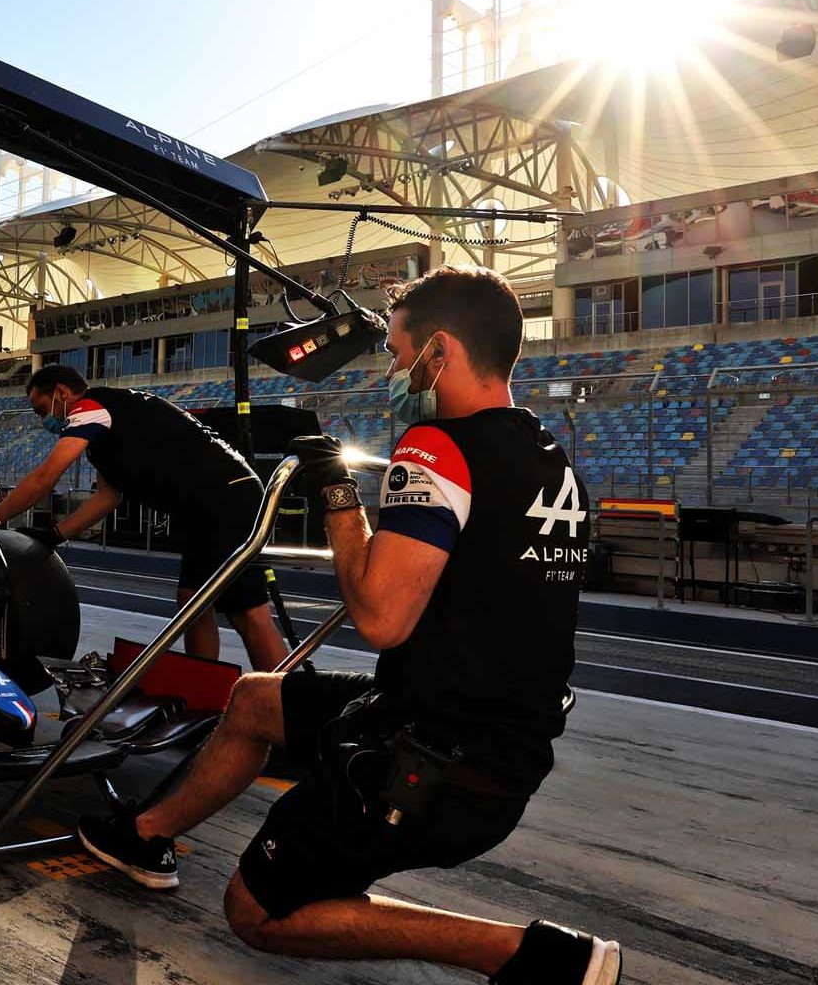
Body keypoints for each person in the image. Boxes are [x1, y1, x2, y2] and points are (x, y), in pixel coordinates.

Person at [74, 265, 616, 985]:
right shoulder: (555, 465)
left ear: (440, 352)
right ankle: (147, 834)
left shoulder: (436, 447)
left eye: (397, 352)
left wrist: (337, 495)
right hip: (492, 738)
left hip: (436, 759)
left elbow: (382, 618)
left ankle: (524, 954)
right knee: (254, 701)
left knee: (254, 912)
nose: (395, 370)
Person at [0, 365, 288, 671]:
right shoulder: (108, 429)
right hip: (213, 503)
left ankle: (283, 701)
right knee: (194, 602)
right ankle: (204, 692)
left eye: (42, 409)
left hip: (227, 498)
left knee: (248, 612)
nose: (43, 419)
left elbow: (45, 477)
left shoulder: (91, 407)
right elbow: (107, 497)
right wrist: (54, 536)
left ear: (61, 392)